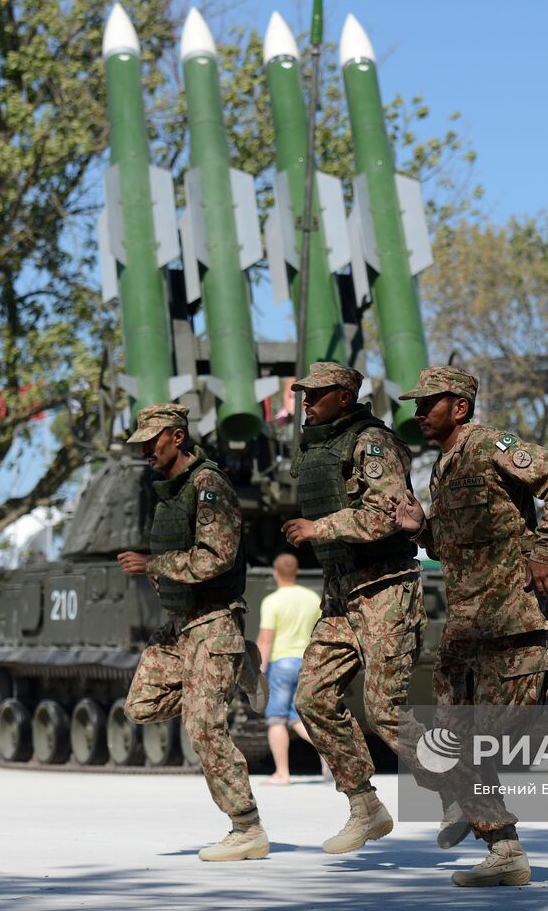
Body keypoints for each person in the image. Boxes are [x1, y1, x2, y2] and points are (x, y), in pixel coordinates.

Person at [391, 365, 548, 888]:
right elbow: (453, 544)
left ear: (459, 406)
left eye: (426, 403)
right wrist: (421, 529)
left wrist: (545, 550)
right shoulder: (443, 467)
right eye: (414, 405)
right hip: (465, 631)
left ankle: (487, 827)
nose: (417, 414)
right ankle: (502, 847)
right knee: (449, 743)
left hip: (513, 625)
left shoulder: (490, 446)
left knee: (481, 742)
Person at [283, 362, 429, 855]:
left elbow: (385, 514)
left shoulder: (372, 443)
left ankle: (464, 789)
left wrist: (317, 529)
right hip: (341, 591)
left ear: (343, 397)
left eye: (316, 394)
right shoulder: (315, 448)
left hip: (385, 586)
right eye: (303, 394)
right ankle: (365, 806)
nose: (306, 402)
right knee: (312, 699)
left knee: (386, 710)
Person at [117, 403, 270, 862]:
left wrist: (154, 564)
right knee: (140, 706)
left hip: (213, 620)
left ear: (177, 437)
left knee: (203, 725)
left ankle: (247, 828)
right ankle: (235, 663)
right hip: (178, 625)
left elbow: (216, 557)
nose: (145, 450)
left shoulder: (209, 485)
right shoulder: (170, 491)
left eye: (151, 441)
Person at [256, 553, 322, 785]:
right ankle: (328, 754)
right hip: (306, 663)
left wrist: (260, 670)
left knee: (276, 718)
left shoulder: (272, 601)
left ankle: (282, 773)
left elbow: (265, 639)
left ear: (276, 573)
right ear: (295, 571)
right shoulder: (312, 598)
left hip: (281, 664)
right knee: (298, 718)